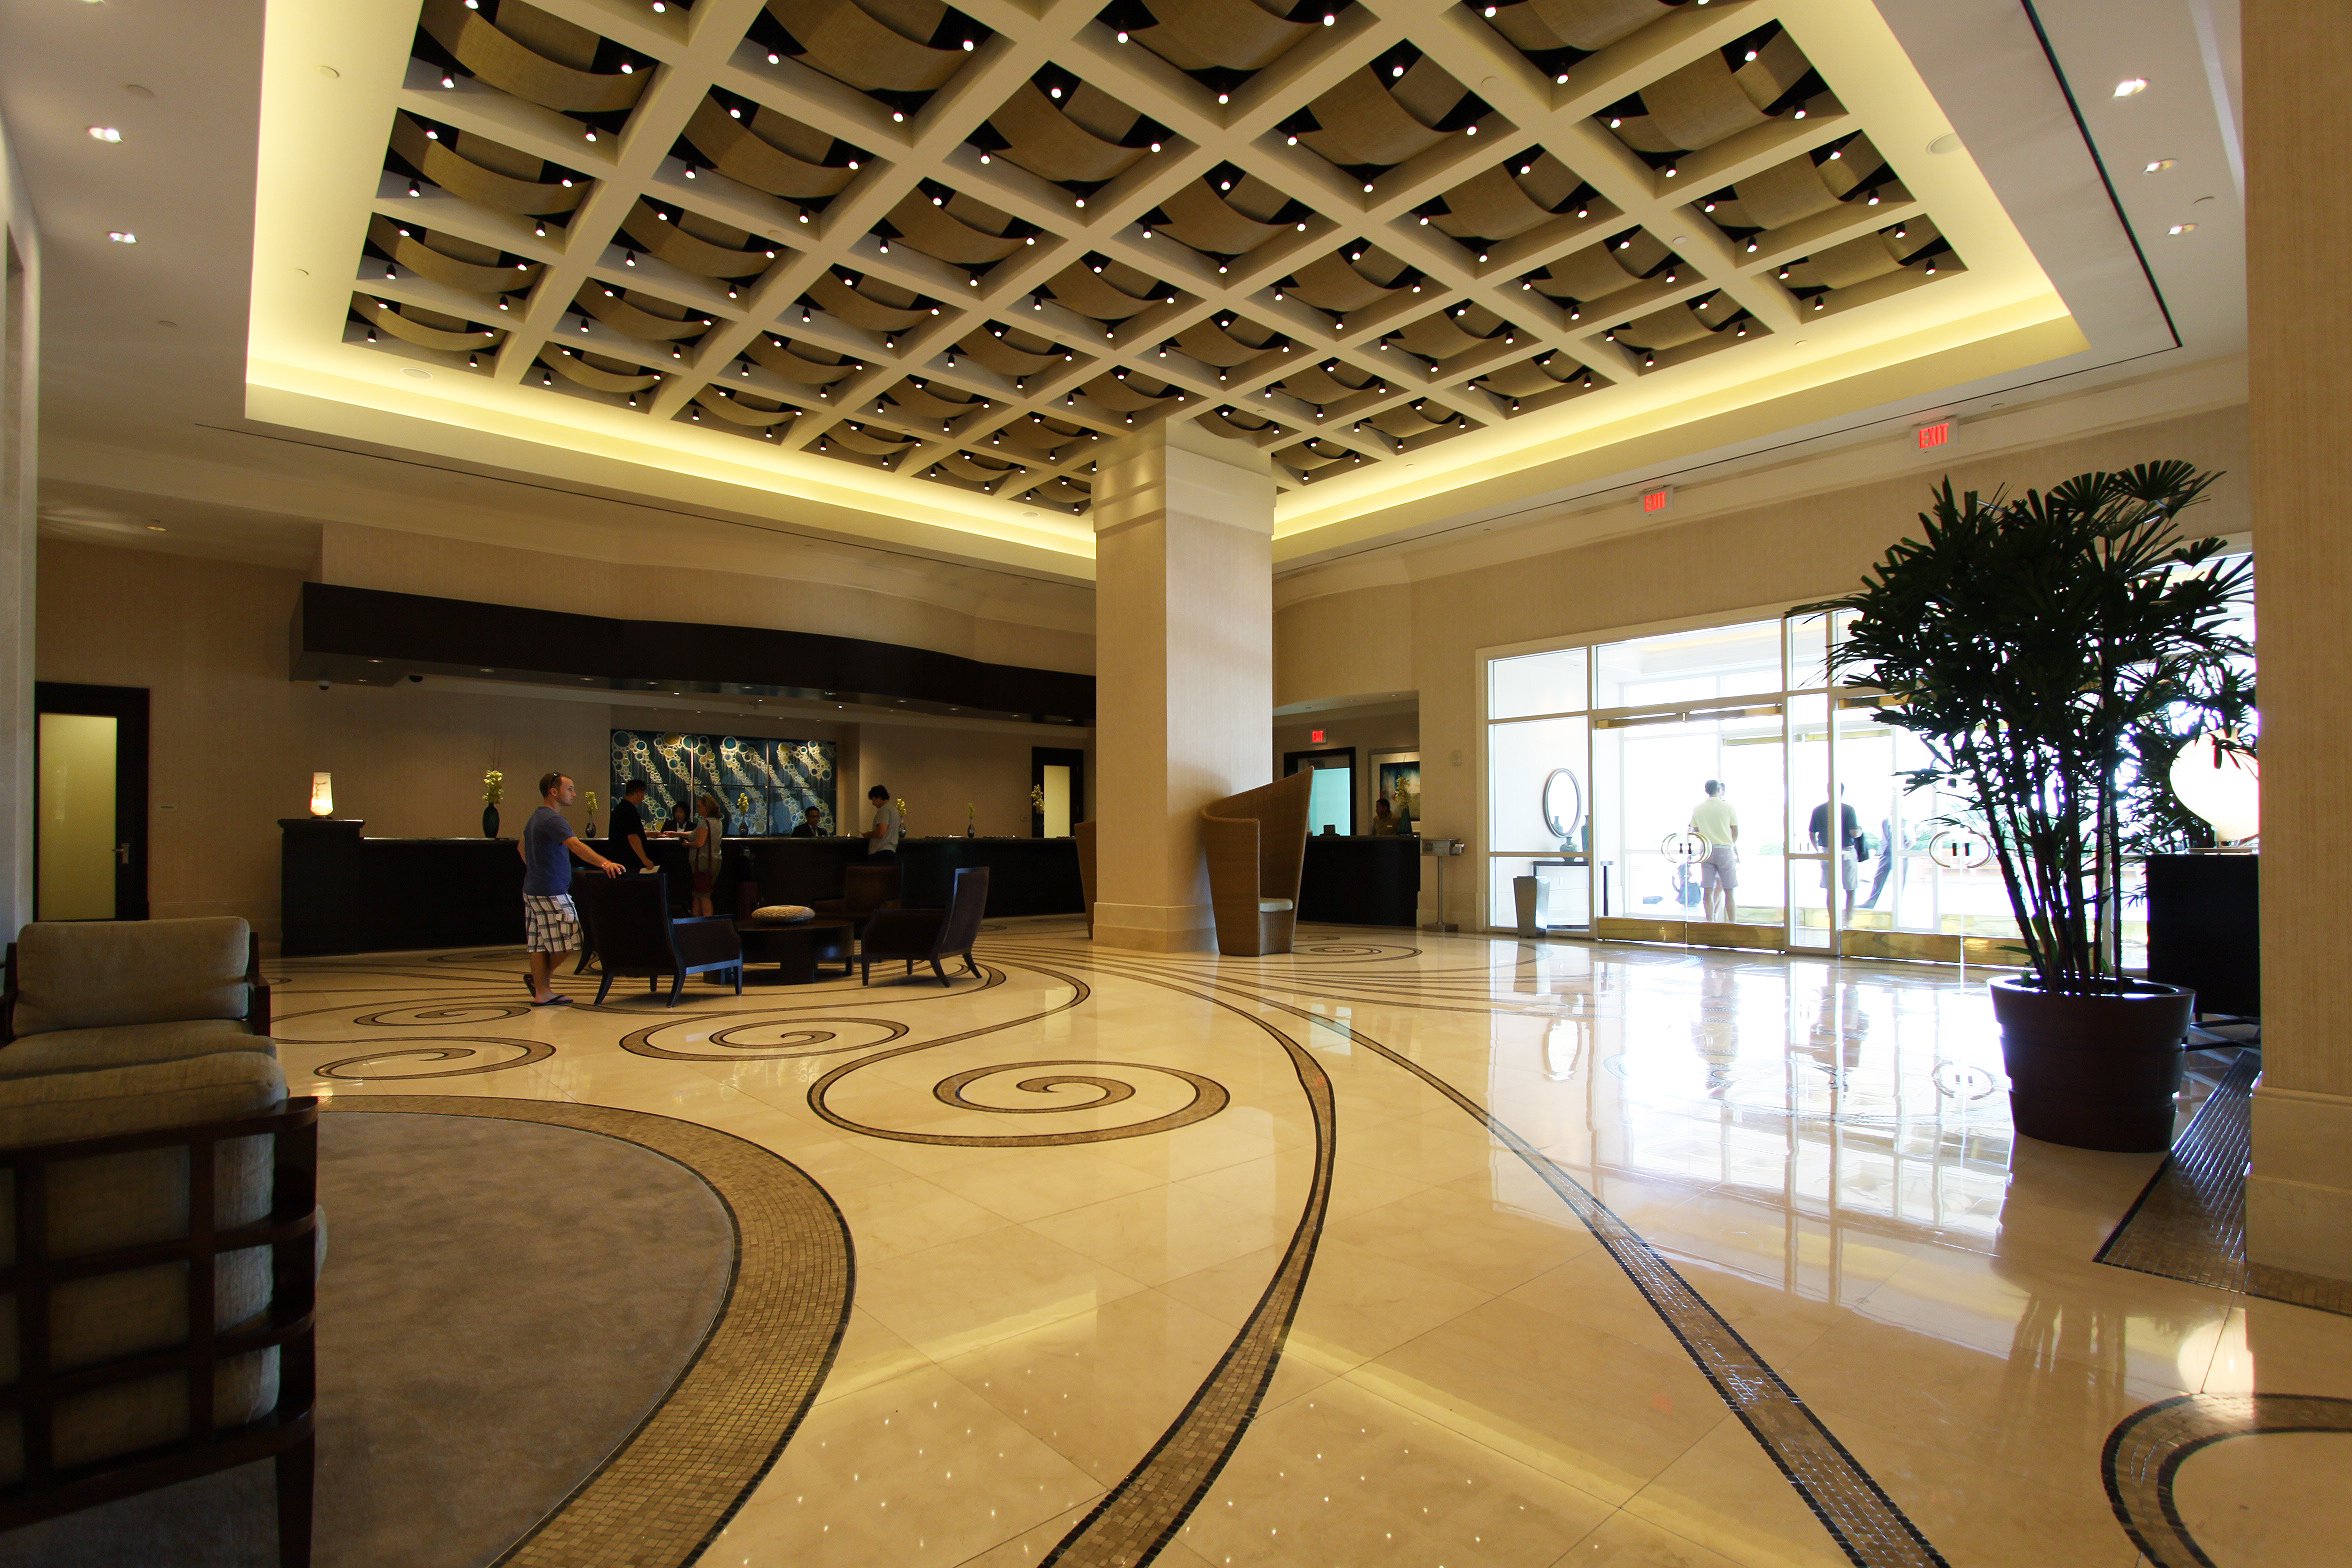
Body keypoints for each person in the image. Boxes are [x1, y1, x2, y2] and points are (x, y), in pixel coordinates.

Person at [520, 771, 623, 1006]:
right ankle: (540, 981)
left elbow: (521, 848)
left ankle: (542, 991)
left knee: (538, 943)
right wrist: (605, 863)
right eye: (570, 789)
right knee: (571, 936)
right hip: (551, 890)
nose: (574, 794)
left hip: (533, 888)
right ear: (553, 792)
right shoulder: (552, 819)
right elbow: (575, 846)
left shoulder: (535, 818)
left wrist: (537, 868)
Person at [1809, 786, 1864, 923]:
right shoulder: (1848, 810)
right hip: (1846, 850)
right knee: (1850, 888)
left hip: (1826, 851)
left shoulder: (1818, 810)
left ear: (1828, 790)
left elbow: (1811, 834)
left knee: (1830, 889)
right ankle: (1847, 922)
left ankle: (1833, 922)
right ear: (1842, 792)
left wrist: (1818, 850)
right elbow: (1854, 833)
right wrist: (1860, 831)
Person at [1689, 779, 1739, 923]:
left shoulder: (1698, 809)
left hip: (1706, 850)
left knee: (1708, 890)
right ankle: (1732, 924)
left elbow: (1695, 830)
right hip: (1724, 850)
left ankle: (1710, 922)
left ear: (1706, 791)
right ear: (1719, 790)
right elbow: (1735, 830)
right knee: (1729, 890)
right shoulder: (1728, 807)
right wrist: (1730, 842)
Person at [687, 794, 724, 918]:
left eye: (699, 806)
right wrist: (676, 833)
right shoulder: (718, 822)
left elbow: (699, 842)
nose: (697, 809)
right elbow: (695, 833)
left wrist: (687, 844)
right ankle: (698, 922)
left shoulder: (704, 822)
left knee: (702, 896)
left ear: (706, 807)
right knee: (699, 894)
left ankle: (706, 923)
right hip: (714, 860)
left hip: (702, 862)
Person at [609, 778, 657, 872]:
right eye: (643, 794)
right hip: (628, 860)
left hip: (620, 858)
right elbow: (632, 836)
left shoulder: (620, 808)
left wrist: (646, 834)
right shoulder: (629, 810)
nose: (643, 798)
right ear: (638, 793)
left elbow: (624, 832)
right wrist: (644, 859)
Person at [864, 783, 902, 860]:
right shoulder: (894, 810)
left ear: (879, 797)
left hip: (880, 851)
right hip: (891, 851)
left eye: (873, 799)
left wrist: (868, 834)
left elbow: (881, 831)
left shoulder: (884, 810)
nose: (873, 803)